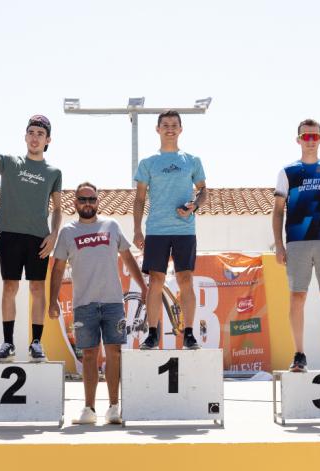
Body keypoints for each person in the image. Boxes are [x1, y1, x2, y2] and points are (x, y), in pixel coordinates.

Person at [0, 101, 62, 362]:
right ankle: (8, 343)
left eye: (41, 133)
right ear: (25, 136)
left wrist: (54, 234)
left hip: (39, 238)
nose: (35, 137)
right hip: (10, 235)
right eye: (31, 132)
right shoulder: (9, 162)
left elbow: (58, 208)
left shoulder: (54, 172)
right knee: (9, 287)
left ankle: (36, 342)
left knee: (38, 289)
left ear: (48, 139)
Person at [49, 183, 147, 424]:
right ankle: (89, 409)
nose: (87, 204)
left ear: (97, 202)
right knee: (90, 356)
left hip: (113, 303)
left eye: (92, 199)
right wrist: (52, 300)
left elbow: (127, 256)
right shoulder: (67, 231)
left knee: (114, 353)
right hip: (84, 304)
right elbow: (58, 267)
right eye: (83, 199)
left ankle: (114, 407)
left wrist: (143, 287)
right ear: (75, 203)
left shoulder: (111, 226)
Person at [272, 118, 320, 373]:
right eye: (306, 136)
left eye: (314, 136)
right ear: (298, 139)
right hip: (297, 242)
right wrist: (279, 246)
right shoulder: (287, 172)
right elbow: (278, 210)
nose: (310, 141)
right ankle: (299, 354)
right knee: (297, 296)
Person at [132, 110, 207, 350]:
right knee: (156, 280)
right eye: (165, 125)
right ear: (158, 129)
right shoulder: (148, 163)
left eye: (174, 125)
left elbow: (204, 191)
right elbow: (139, 199)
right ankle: (152, 334)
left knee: (186, 279)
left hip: (185, 230)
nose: (170, 129)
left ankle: (189, 333)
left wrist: (194, 206)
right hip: (156, 230)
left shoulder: (192, 160)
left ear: (181, 129)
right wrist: (137, 230)